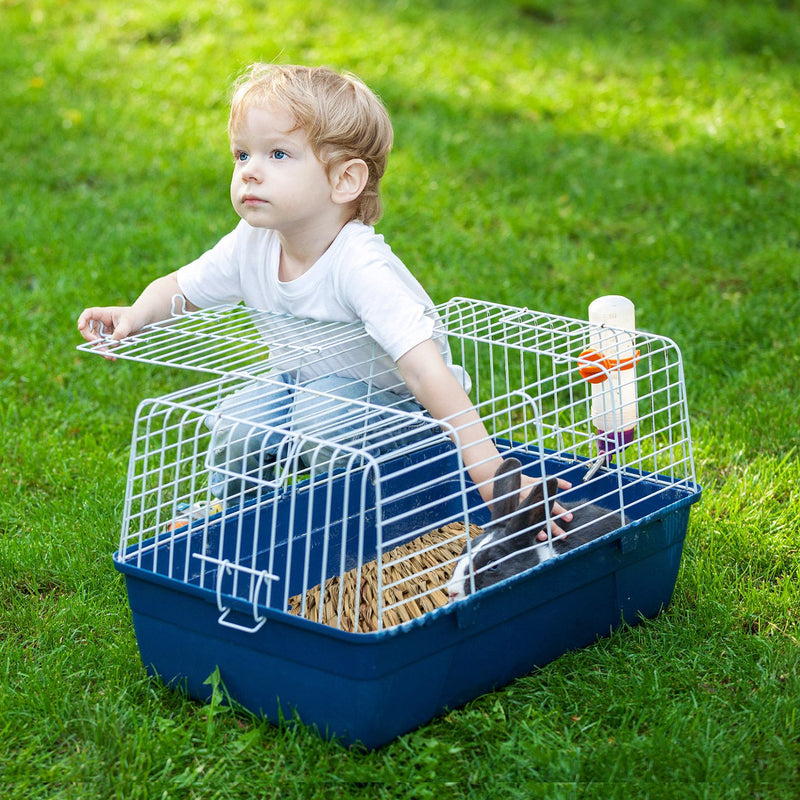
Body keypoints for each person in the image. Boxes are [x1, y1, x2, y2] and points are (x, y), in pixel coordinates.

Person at [77, 63, 571, 530]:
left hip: (404, 414)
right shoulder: (253, 243)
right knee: (239, 421)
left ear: (344, 180)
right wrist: (135, 315)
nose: (249, 170)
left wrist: (494, 477)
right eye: (242, 154)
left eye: (277, 155)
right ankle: (232, 515)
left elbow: (427, 372)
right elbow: (180, 288)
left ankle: (355, 526)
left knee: (323, 413)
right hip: (304, 384)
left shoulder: (360, 267)